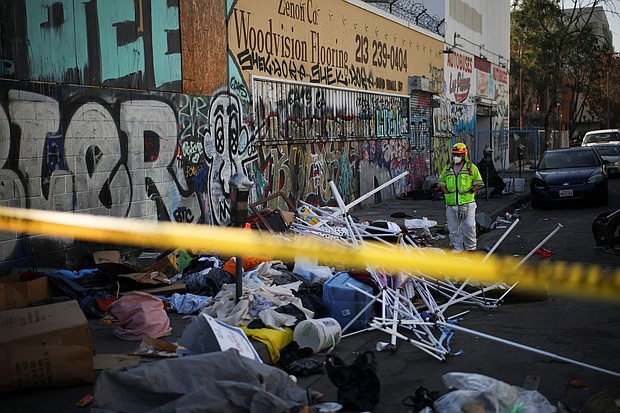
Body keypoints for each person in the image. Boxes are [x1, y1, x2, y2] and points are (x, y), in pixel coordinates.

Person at [437, 143, 484, 253]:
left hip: (467, 203)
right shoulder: (448, 168)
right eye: (454, 154)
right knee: (453, 230)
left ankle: (471, 249)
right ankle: (457, 250)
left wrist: (471, 191)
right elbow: (441, 182)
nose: (455, 157)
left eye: (458, 154)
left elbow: (478, 182)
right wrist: (445, 192)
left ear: (464, 155)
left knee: (469, 227)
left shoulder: (471, 168)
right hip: (451, 204)